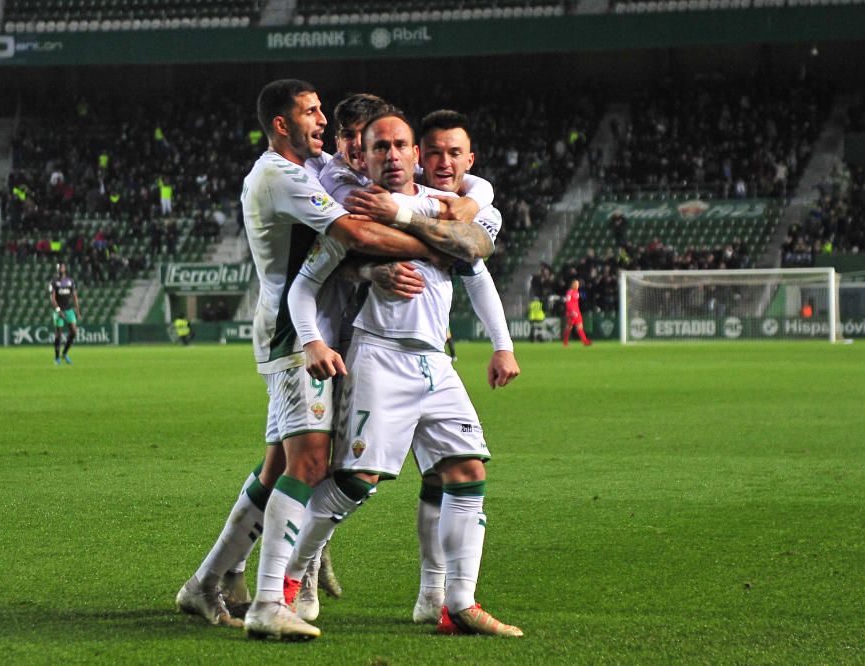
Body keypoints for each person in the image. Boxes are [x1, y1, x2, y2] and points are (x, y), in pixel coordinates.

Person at [176, 79, 438, 641]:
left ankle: (206, 582)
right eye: (312, 112)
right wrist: (443, 244)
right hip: (298, 333)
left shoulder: (302, 168)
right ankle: (274, 598)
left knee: (277, 469)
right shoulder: (282, 175)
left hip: (303, 328)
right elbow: (352, 232)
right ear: (280, 124)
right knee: (310, 464)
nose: (322, 121)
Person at [286, 111, 522, 637]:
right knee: (356, 481)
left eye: (401, 147)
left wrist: (502, 347)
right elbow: (304, 283)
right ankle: (291, 572)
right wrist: (321, 330)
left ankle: (456, 604)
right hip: (379, 355)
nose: (392, 156)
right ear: (364, 157)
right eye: (380, 148)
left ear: (415, 153)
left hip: (437, 360)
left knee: (466, 470)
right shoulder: (358, 212)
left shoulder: (440, 203)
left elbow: (476, 270)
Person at [49, 263, 82, 364]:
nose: (61, 269)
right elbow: (52, 299)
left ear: (65, 269)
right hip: (59, 310)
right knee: (58, 333)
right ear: (57, 269)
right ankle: (57, 357)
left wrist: (78, 310)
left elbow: (75, 296)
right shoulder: (54, 282)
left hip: (69, 310)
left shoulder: (70, 281)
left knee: (74, 332)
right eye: (59, 267)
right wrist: (58, 310)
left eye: (63, 267)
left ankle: (65, 353)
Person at [563, 279, 591, 347]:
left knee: (580, 327)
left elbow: (581, 299)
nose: (577, 285)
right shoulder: (569, 292)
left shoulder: (577, 292)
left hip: (577, 312)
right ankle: (565, 342)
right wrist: (571, 311)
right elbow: (568, 303)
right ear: (572, 285)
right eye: (575, 284)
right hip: (571, 313)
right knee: (569, 327)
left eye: (578, 284)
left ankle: (585, 341)